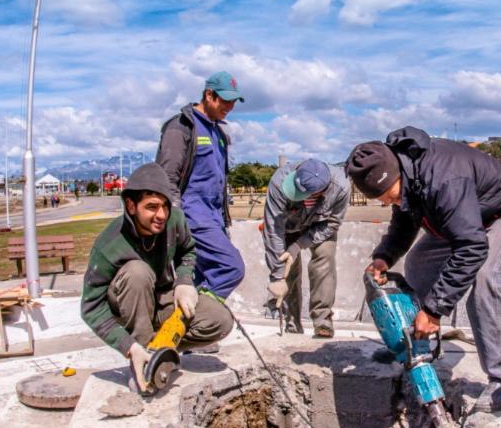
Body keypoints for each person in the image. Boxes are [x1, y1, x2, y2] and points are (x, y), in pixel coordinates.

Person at [346, 127, 501, 413]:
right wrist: (384, 257)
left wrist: (434, 310)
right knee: (418, 263)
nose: (387, 203)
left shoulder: (444, 179)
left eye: (388, 196)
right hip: (466, 218)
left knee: (486, 276)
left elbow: (472, 246)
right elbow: (404, 221)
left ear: (395, 175)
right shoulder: (407, 173)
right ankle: (415, 347)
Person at [80, 163, 232, 393]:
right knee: (137, 272)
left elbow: (188, 250)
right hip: (127, 305)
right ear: (131, 206)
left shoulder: (174, 220)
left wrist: (184, 282)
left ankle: (161, 351)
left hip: (160, 298)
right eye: (151, 207)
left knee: (220, 320)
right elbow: (91, 307)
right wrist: (127, 345)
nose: (161, 215)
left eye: (165, 206)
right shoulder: (109, 245)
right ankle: (141, 357)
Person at [155, 71, 246, 302]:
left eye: (234, 101)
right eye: (225, 100)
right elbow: (166, 177)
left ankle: (192, 322)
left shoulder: (218, 132)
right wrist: (174, 218)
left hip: (214, 218)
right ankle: (206, 311)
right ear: (209, 95)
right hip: (192, 217)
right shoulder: (182, 127)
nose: (230, 107)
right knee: (231, 267)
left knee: (202, 278)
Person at [262, 159, 349, 338]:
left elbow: (332, 223)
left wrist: (298, 246)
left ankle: (323, 320)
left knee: (324, 259)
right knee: (288, 270)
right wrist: (277, 276)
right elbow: (273, 228)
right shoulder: (279, 182)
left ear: (320, 191)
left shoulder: (341, 187)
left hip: (321, 227)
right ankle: (292, 323)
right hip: (288, 227)